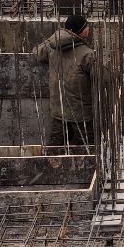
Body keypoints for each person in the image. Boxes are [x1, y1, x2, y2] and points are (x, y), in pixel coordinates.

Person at [32, 13, 96, 147]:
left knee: (55, 150)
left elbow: (37, 52)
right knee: (89, 149)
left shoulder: (52, 47)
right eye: (86, 27)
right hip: (81, 113)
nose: (88, 29)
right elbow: (104, 77)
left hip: (58, 110)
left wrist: (55, 38)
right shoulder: (87, 54)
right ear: (80, 31)